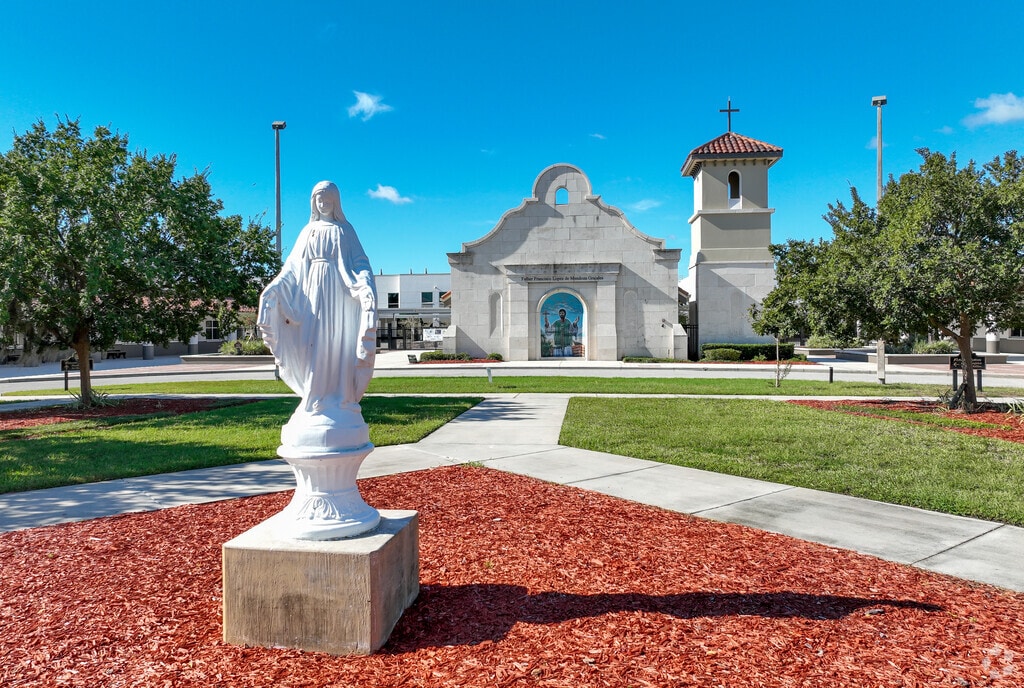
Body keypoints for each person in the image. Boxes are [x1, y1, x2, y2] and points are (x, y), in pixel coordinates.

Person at [258, 181, 377, 415]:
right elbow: (292, 268)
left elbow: (361, 262)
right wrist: (275, 287)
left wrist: (365, 283)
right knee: (313, 344)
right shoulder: (307, 232)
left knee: (336, 342)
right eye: (319, 200)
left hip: (339, 293)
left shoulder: (345, 230)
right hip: (311, 295)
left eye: (328, 200)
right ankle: (314, 395)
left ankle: (342, 395)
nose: (323, 204)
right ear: (313, 203)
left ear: (335, 202)